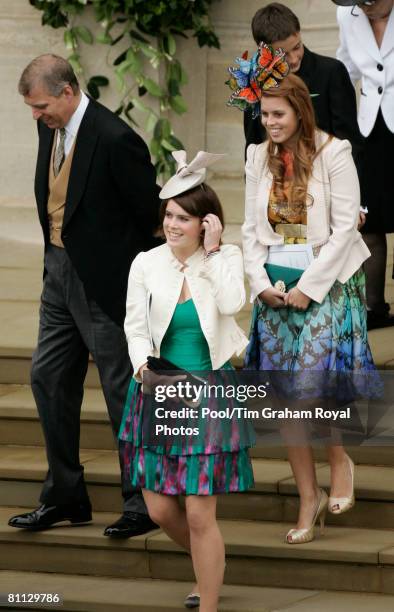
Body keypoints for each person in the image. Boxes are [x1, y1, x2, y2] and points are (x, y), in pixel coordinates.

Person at [228, 44, 376, 543]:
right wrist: (263, 286)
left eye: (277, 113)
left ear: (298, 111)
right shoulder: (256, 157)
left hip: (325, 283)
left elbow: (343, 232)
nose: (269, 122)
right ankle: (307, 496)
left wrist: (308, 290)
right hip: (275, 284)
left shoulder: (335, 152)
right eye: (263, 114)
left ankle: (339, 459)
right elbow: (250, 229)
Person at [8, 54, 160, 538]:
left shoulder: (116, 138)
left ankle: (142, 503)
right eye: (32, 108)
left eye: (42, 105)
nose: (36, 115)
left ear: (69, 91)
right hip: (57, 274)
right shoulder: (47, 129)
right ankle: (66, 495)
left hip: (107, 283)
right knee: (47, 376)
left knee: (122, 391)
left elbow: (147, 215)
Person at [119, 150, 253, 611]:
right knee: (158, 509)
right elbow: (135, 328)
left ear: (206, 223)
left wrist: (214, 253)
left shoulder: (226, 257)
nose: (174, 224)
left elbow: (234, 303)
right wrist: (142, 368)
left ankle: (209, 601)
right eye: (170, 215)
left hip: (207, 394)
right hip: (157, 391)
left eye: (185, 217)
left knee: (199, 511)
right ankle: (208, 565)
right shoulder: (145, 263)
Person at [333, 0, 394, 329]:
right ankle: (374, 308)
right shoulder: (347, 14)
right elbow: (346, 70)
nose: (365, 7)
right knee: (369, 221)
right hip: (369, 129)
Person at [244, 3, 364, 166]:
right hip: (275, 180)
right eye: (283, 54)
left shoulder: (331, 72)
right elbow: (253, 145)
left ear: (299, 34)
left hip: (327, 179)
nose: (293, 59)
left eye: (297, 47)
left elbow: (350, 142)